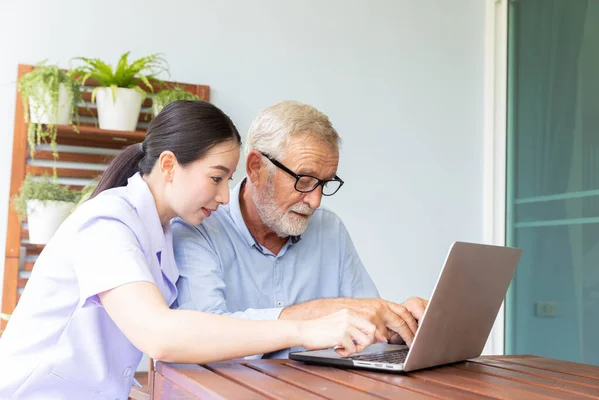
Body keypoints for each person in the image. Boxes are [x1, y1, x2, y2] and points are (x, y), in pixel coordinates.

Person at [0, 101, 377, 399]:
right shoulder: (107, 223)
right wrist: (304, 329)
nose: (224, 196)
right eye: (216, 178)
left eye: (228, 180)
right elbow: (160, 335)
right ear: (168, 165)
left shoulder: (160, 232)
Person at [172, 101, 428, 359]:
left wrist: (397, 326)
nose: (315, 201)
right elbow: (201, 337)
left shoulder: (330, 229)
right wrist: (318, 314)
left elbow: (365, 317)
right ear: (255, 168)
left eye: (324, 184)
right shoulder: (198, 226)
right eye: (303, 181)